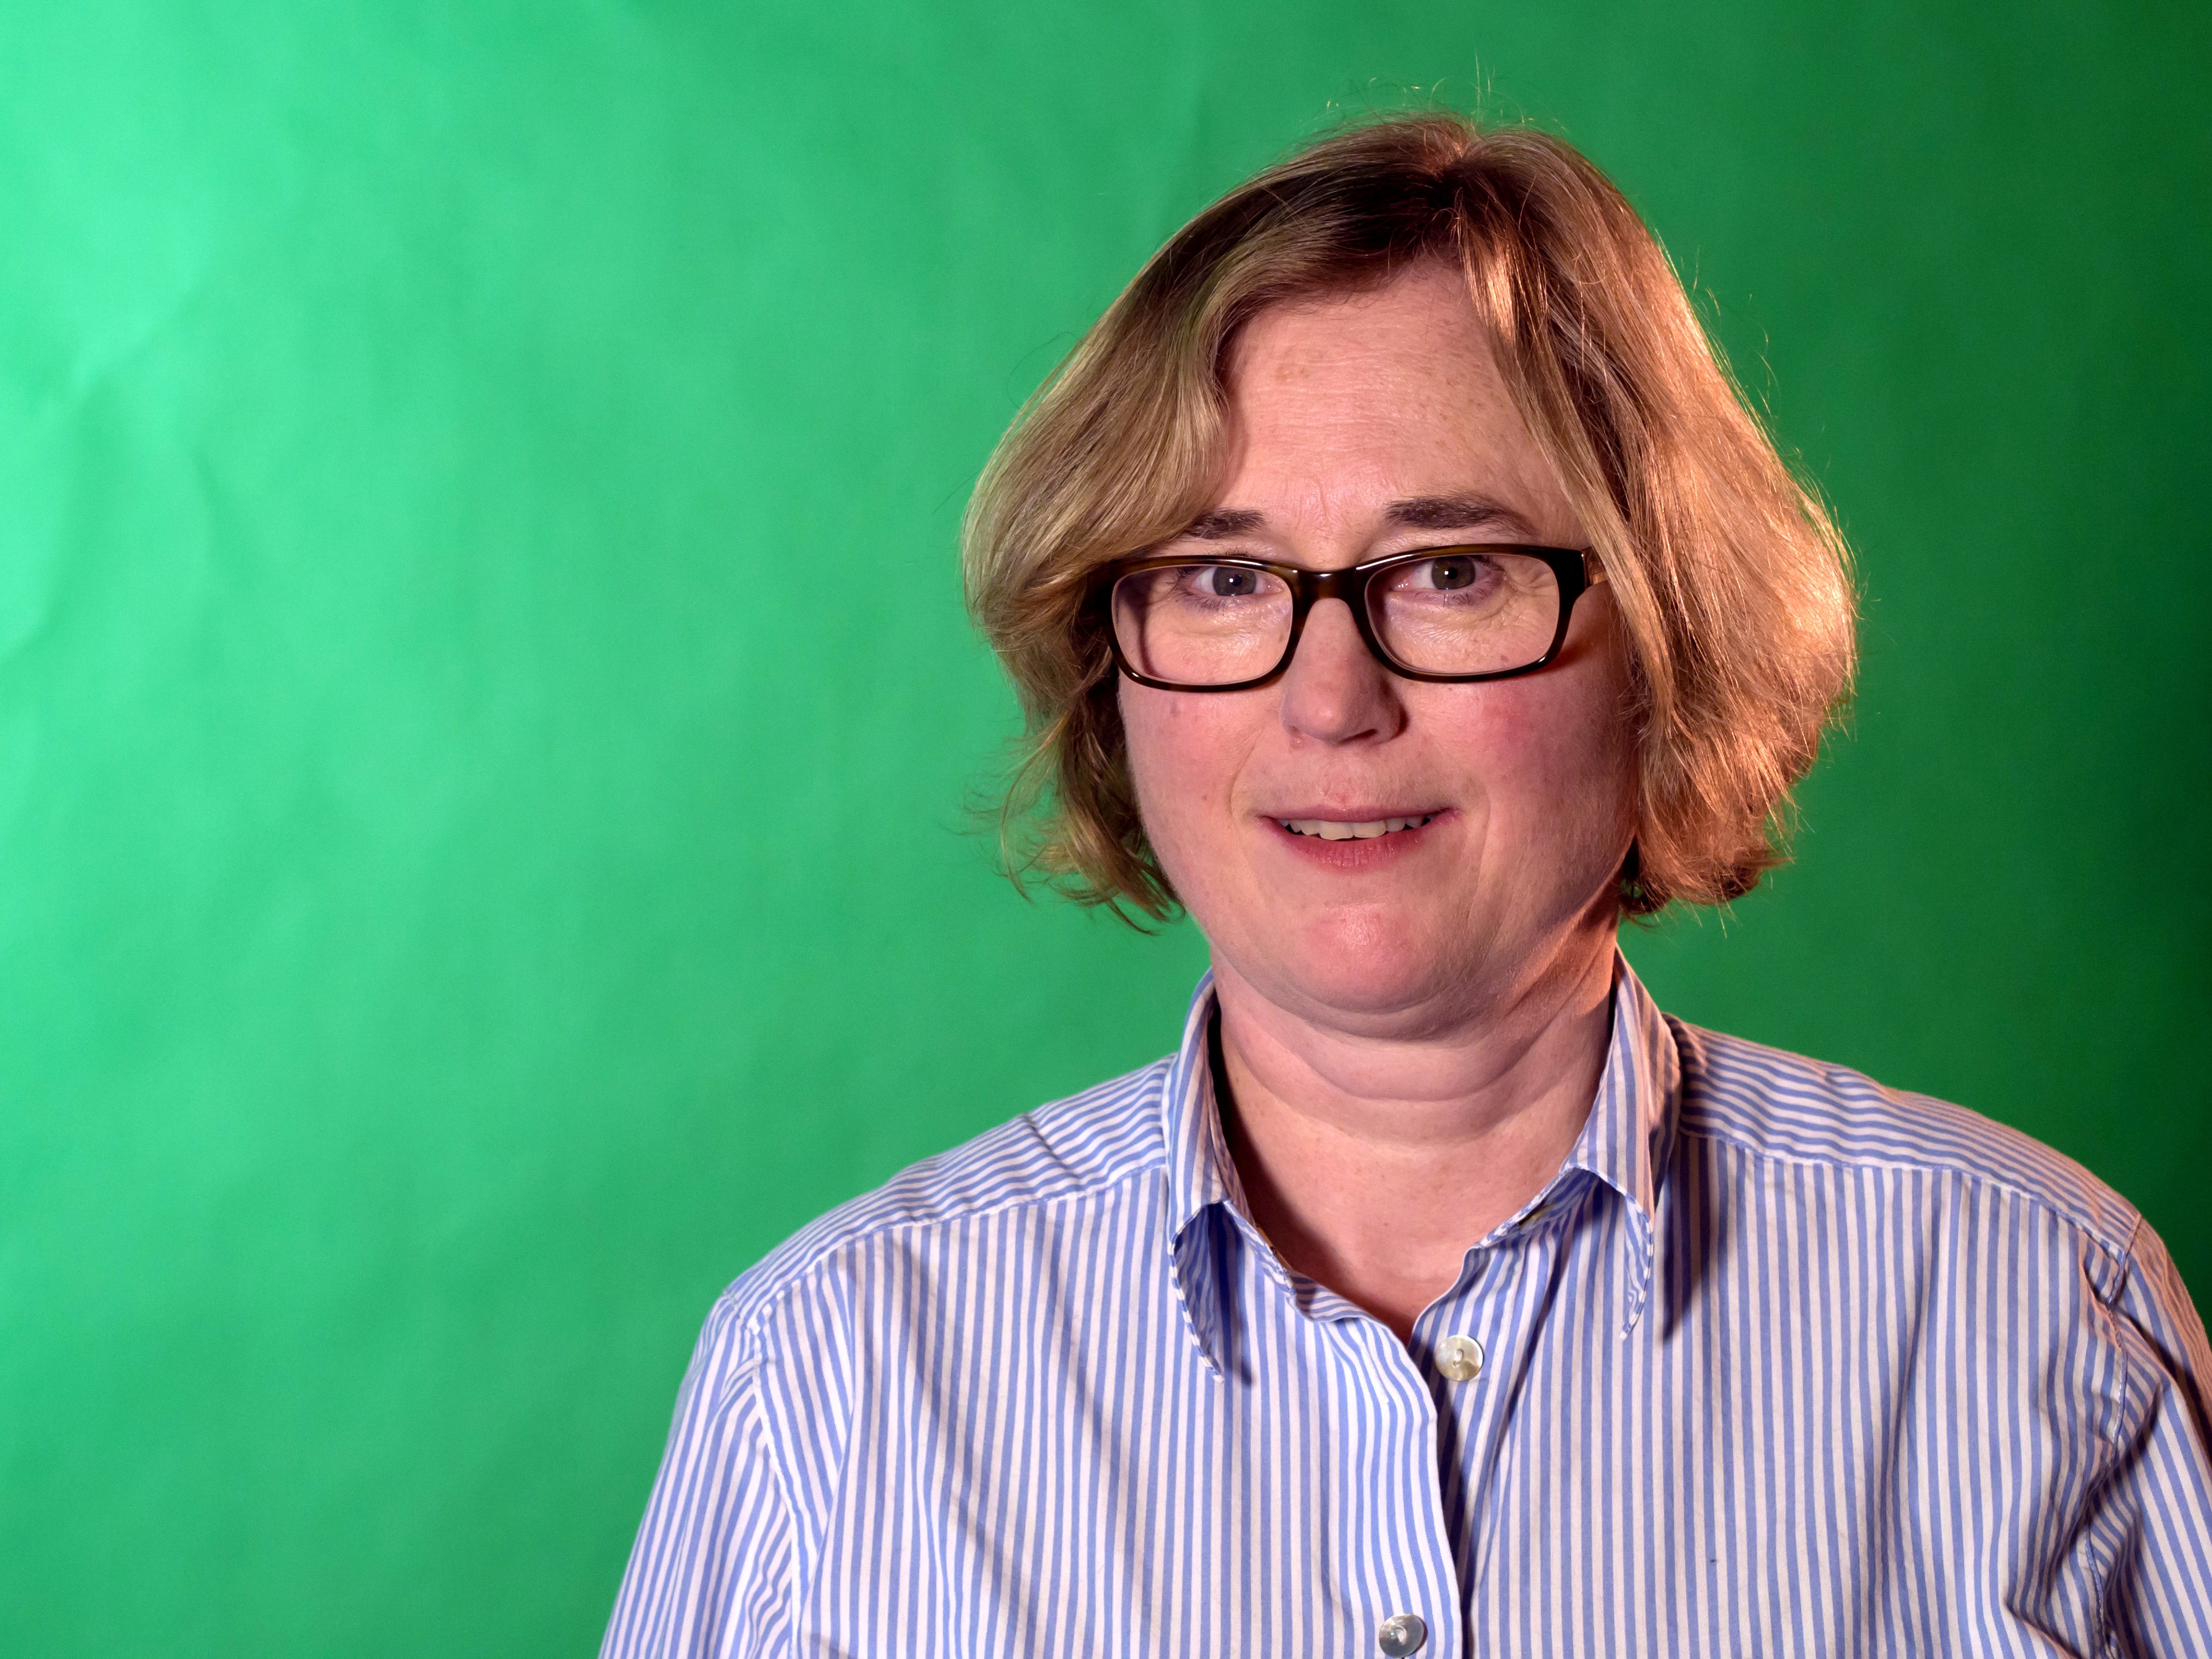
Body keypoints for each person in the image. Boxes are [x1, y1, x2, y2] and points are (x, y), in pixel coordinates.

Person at [602, 115, 2212, 1656]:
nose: (1331, 701)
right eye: (1223, 578)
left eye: (1452, 571)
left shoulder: (2035, 1317)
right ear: (1111, 666)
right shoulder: (829, 1378)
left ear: (1670, 638)